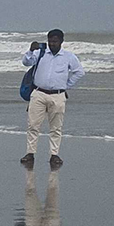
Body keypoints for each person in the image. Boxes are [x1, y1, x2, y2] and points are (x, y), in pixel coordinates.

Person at [21, 29, 85, 169]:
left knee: (56, 127)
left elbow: (79, 72)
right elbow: (26, 62)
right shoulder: (40, 53)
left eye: (55, 41)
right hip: (38, 93)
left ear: (61, 42)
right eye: (50, 41)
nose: (52, 44)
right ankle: (30, 153)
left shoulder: (68, 57)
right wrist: (30, 51)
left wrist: (66, 85)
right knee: (33, 125)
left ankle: (54, 154)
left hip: (57, 95)